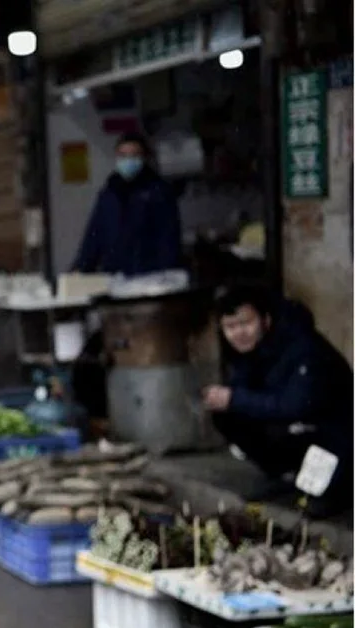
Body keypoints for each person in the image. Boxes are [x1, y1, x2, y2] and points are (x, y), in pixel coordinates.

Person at [203, 285, 353, 517]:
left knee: (318, 505)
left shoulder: (303, 347)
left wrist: (236, 398)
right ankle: (288, 474)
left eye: (246, 324)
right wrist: (230, 399)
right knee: (227, 414)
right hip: (295, 428)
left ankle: (335, 486)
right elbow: (245, 393)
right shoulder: (245, 351)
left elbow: (298, 405)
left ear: (266, 320)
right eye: (230, 327)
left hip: (335, 434)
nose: (238, 333)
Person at [73, 132, 182, 277]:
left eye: (134, 155)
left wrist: (167, 276)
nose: (128, 160)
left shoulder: (159, 193)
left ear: (145, 158)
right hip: (114, 276)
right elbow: (94, 236)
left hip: (149, 277)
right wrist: (79, 270)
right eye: (123, 155)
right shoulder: (109, 194)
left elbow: (168, 240)